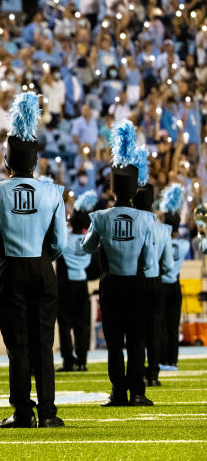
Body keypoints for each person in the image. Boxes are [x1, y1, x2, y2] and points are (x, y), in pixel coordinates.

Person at [0, 92, 66, 429]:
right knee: (44, 342)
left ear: (7, 162)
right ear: (35, 162)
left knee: (17, 343)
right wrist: (41, 258)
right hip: (43, 268)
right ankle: (49, 413)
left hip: (10, 269)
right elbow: (60, 242)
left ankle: (23, 412)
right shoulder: (53, 192)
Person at [81, 121, 155, 407]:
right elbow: (148, 261)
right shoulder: (147, 219)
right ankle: (138, 391)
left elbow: (87, 247)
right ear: (135, 190)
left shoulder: (100, 217)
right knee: (137, 340)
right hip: (136, 282)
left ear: (112, 188)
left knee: (114, 342)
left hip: (110, 283)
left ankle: (118, 392)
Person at [138, 174, 173, 390]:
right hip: (156, 281)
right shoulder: (164, 230)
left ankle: (139, 373)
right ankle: (153, 373)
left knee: (137, 330)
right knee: (155, 329)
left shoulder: (133, 224)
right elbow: (168, 264)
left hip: (137, 281)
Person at [56, 190, 96, 373]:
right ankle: (82, 360)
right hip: (82, 284)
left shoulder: (66, 239)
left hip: (66, 285)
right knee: (83, 325)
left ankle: (68, 360)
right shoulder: (88, 241)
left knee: (65, 325)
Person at [158, 184, 188, 371]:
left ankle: (162, 359)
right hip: (175, 283)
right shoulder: (184, 244)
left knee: (161, 325)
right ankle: (173, 360)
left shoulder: (162, 240)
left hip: (162, 284)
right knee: (173, 324)